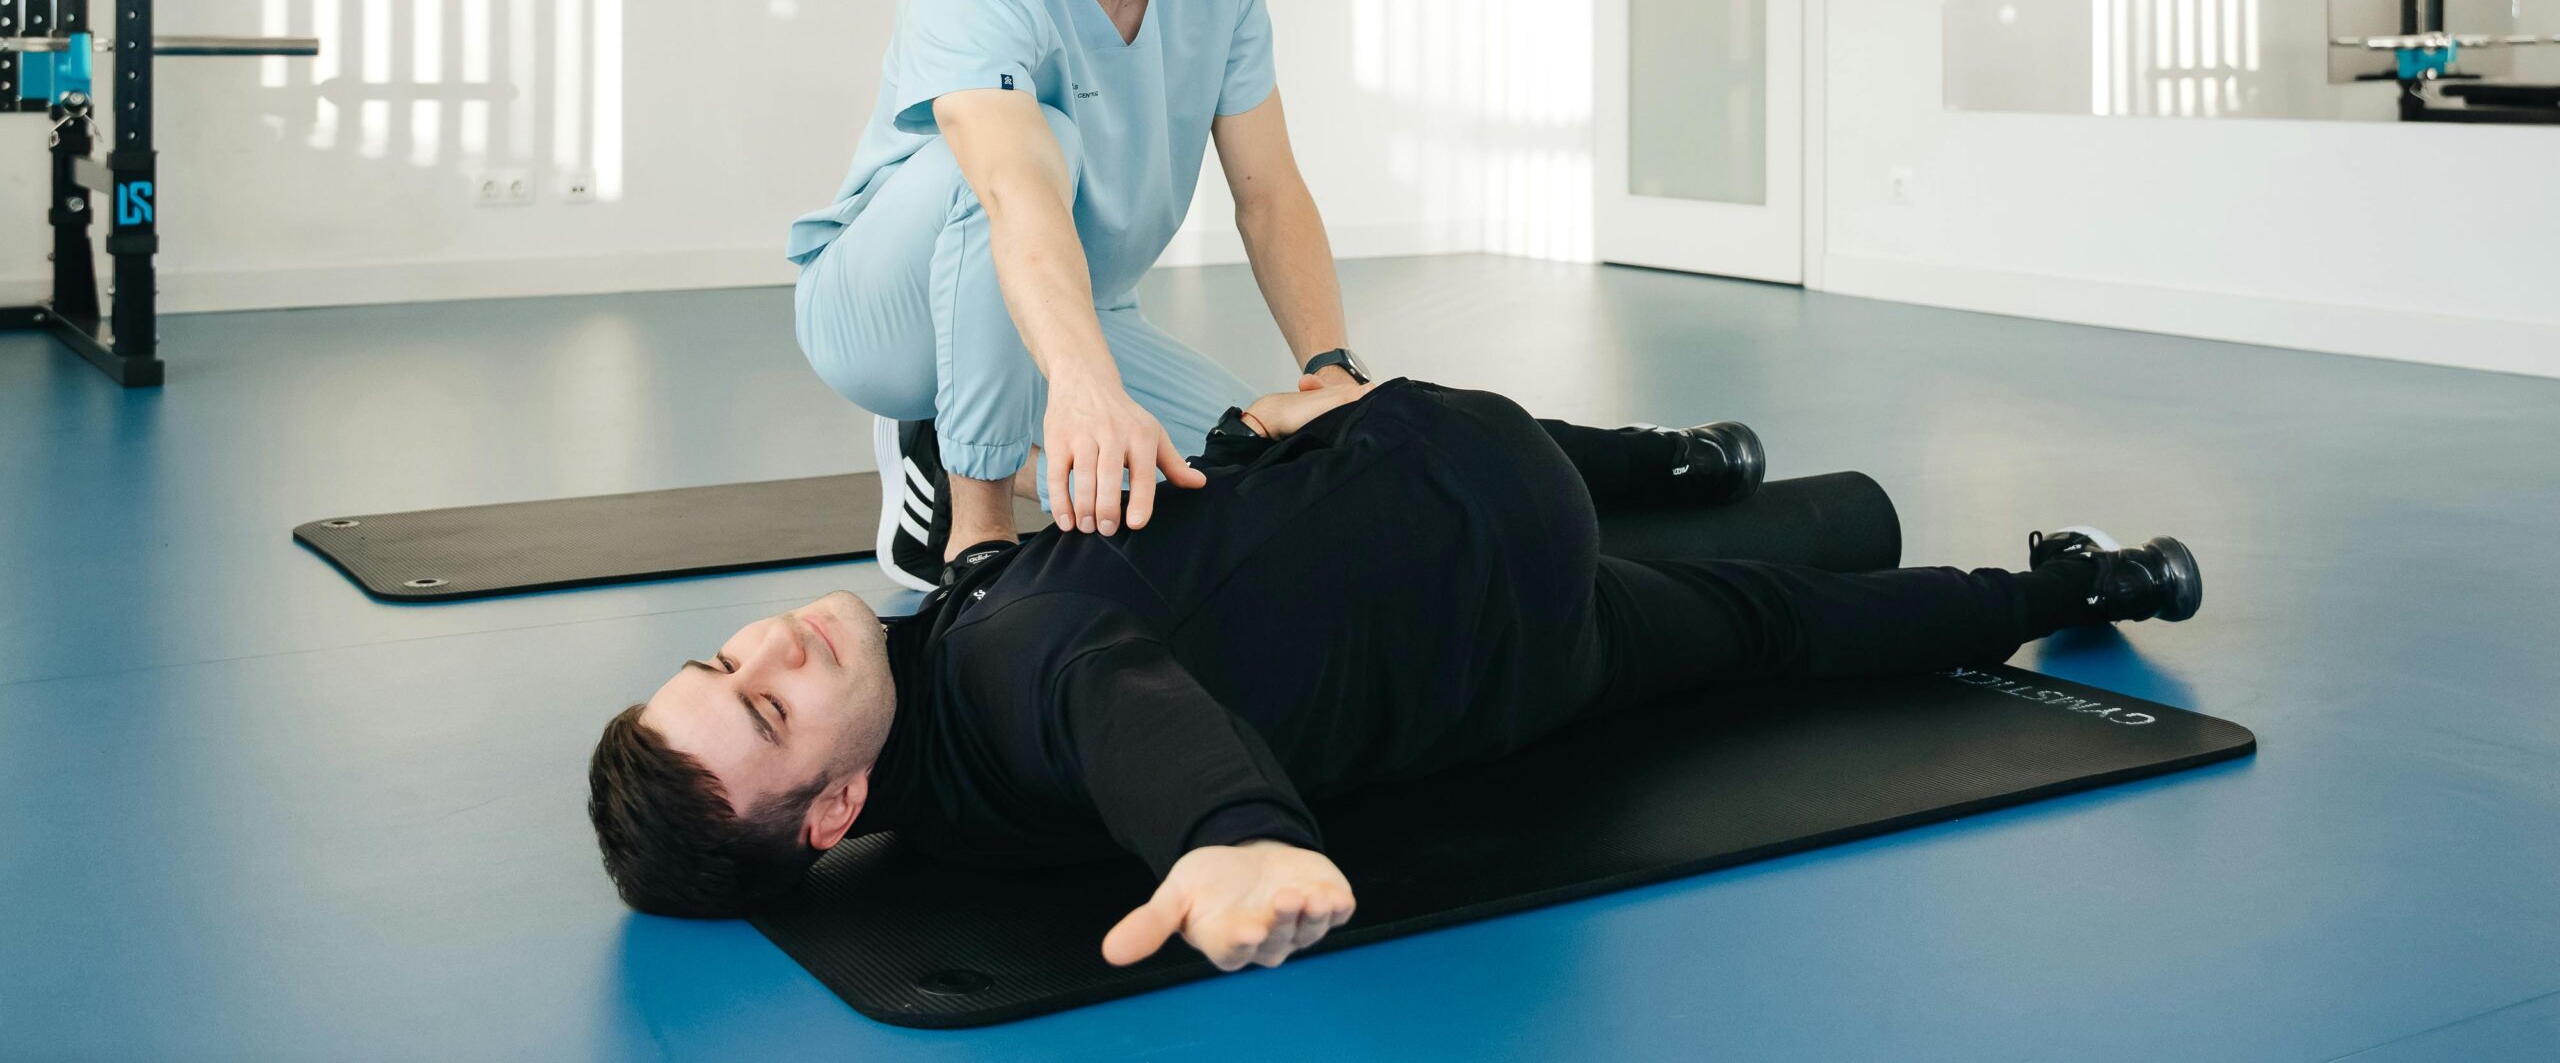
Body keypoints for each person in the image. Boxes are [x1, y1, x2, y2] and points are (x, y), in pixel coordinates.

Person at [590, 378, 2202, 971]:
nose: (774, 642)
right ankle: (1687, 451)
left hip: (1511, 680)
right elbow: (1107, 688)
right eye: (771, 703)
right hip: (1479, 496)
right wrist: (1225, 830)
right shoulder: (1009, 658)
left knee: (1773, 630)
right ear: (835, 806)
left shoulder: (945, 766)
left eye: (722, 655)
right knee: (1334, 404)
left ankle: (2099, 577)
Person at [787, 0, 1387, 593]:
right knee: (1039, 144)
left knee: (1257, 472)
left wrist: (1329, 370)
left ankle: (985, 430)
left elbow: (1267, 191)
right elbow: (1009, 186)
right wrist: (1082, 382)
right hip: (884, 313)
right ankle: (974, 522)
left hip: (1082, 307)